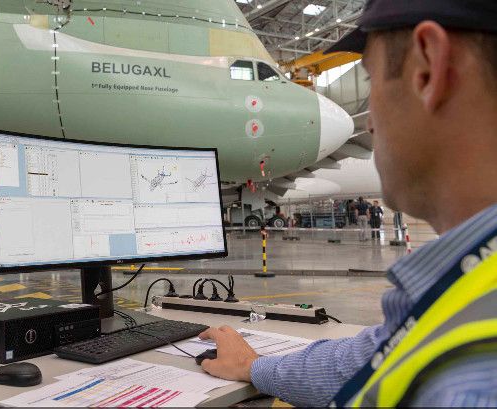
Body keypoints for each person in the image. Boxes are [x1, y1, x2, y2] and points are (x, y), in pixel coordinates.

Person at [198, 0, 497, 406]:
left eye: (372, 79)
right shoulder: (471, 288)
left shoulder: (467, 383)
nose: (371, 122)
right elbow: (381, 351)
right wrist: (256, 368)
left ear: (429, 68)